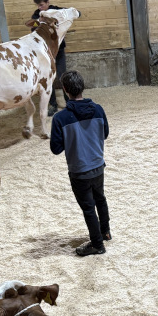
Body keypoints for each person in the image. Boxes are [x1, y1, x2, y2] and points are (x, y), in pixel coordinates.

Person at [50, 70, 110, 257]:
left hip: (79, 170)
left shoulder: (60, 118)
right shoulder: (98, 109)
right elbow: (105, 134)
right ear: (82, 87)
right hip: (98, 165)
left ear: (65, 89)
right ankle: (105, 232)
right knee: (100, 199)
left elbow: (56, 148)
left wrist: (71, 139)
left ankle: (97, 245)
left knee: (88, 208)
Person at [25, 0, 68, 116]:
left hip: (59, 51)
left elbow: (67, 13)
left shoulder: (56, 10)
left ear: (48, 2)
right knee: (49, 78)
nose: (39, 7)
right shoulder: (37, 15)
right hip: (46, 53)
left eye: (42, 5)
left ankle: (69, 102)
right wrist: (39, 20)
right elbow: (33, 27)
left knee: (63, 76)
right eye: (38, 5)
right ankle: (53, 104)